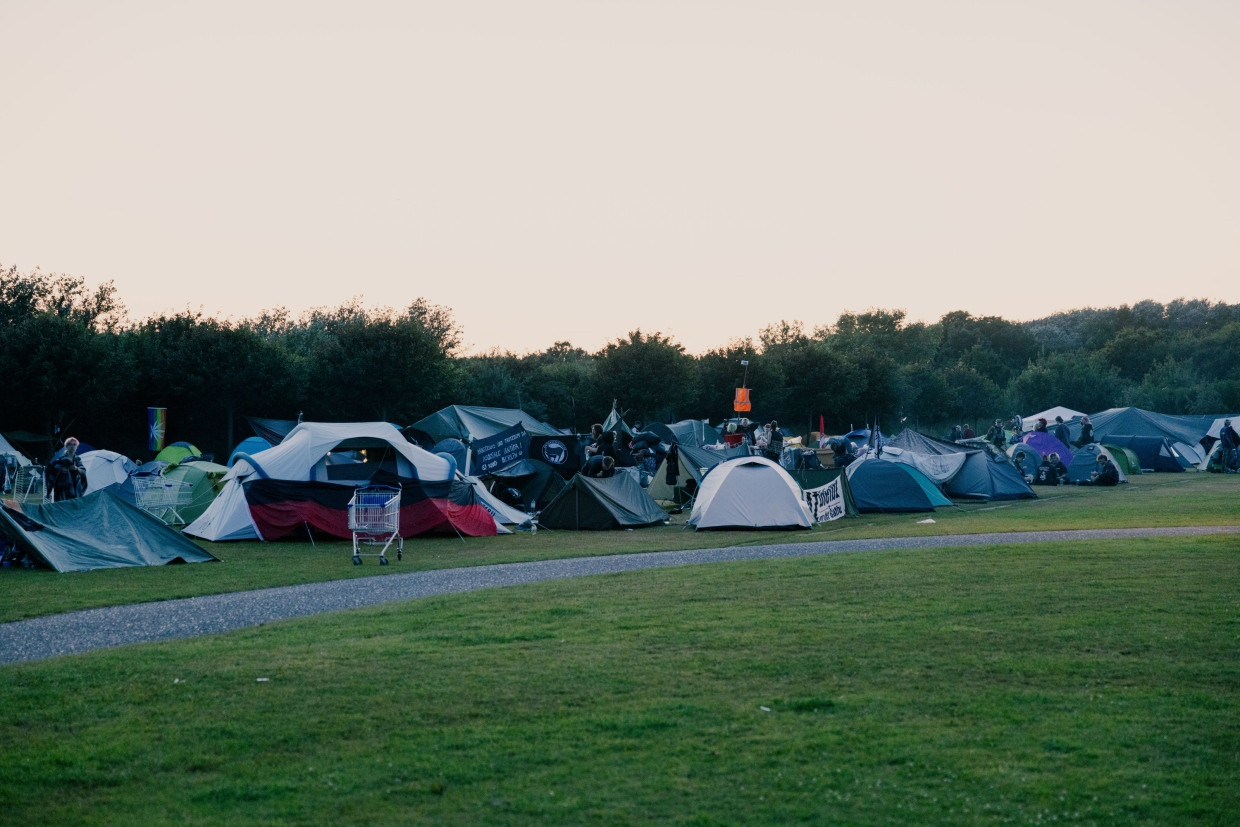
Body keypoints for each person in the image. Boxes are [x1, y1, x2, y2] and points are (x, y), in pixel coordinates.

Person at [47, 436, 87, 501]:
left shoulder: (78, 460)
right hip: (62, 492)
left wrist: (76, 469)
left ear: (76, 447)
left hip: (75, 491)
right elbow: (52, 475)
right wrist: (61, 471)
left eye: (74, 444)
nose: (72, 446)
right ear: (66, 446)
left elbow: (84, 472)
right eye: (70, 444)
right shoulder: (59, 460)